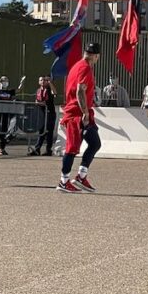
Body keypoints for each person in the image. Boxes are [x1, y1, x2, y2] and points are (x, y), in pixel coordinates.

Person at [58, 43, 102, 193]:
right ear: (96, 56)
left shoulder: (77, 66)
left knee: (94, 143)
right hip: (76, 113)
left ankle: (81, 176)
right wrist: (85, 113)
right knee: (72, 148)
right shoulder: (85, 68)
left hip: (80, 112)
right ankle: (63, 181)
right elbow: (80, 91)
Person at [0, 74, 25, 155]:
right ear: (0, 82)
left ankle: (2, 148)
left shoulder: (9, 92)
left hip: (6, 113)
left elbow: (19, 90)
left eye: (6, 81)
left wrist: (22, 82)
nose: (5, 82)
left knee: (4, 131)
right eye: (3, 81)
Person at [33, 76, 58, 156]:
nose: (43, 81)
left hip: (50, 113)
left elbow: (55, 93)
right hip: (41, 114)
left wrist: (50, 83)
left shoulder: (49, 89)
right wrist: (38, 103)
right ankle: (37, 149)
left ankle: (48, 150)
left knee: (49, 132)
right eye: (41, 80)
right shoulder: (38, 90)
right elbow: (36, 100)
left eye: (44, 80)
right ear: (39, 82)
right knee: (41, 131)